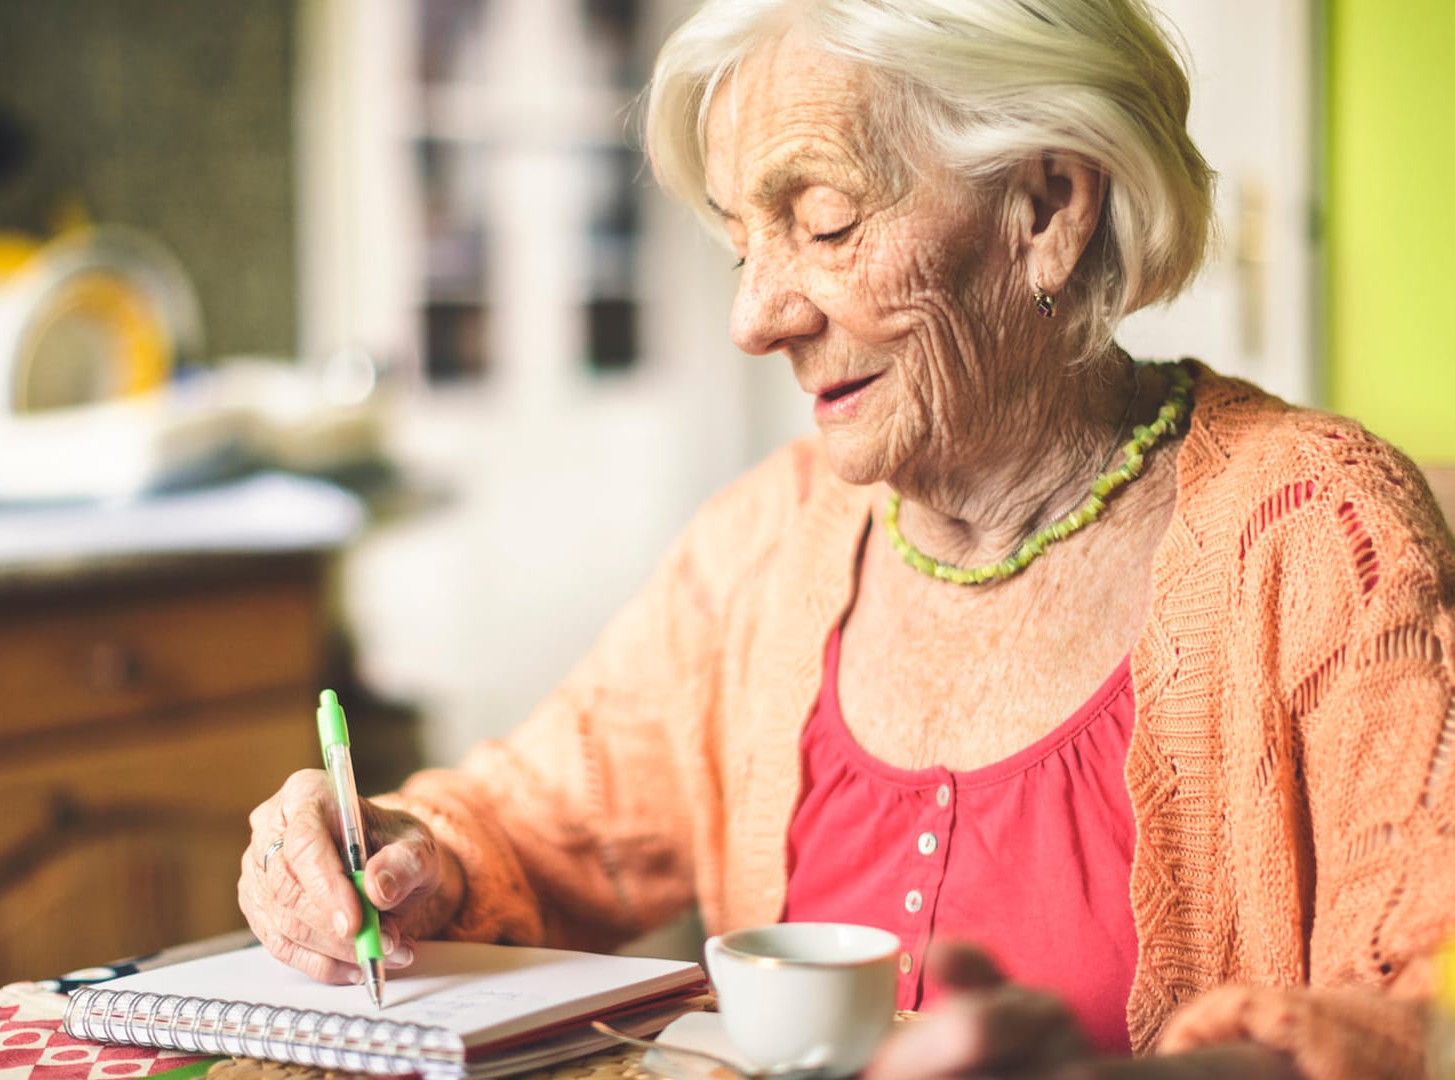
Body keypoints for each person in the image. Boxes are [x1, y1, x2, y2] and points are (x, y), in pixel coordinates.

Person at [239, 1, 1455, 1076]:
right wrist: (395, 855)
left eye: (823, 223)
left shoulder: (1319, 539)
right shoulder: (767, 546)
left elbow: (1431, 1005)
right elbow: (536, 822)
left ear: (1048, 207)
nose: (753, 317)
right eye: (740, 243)